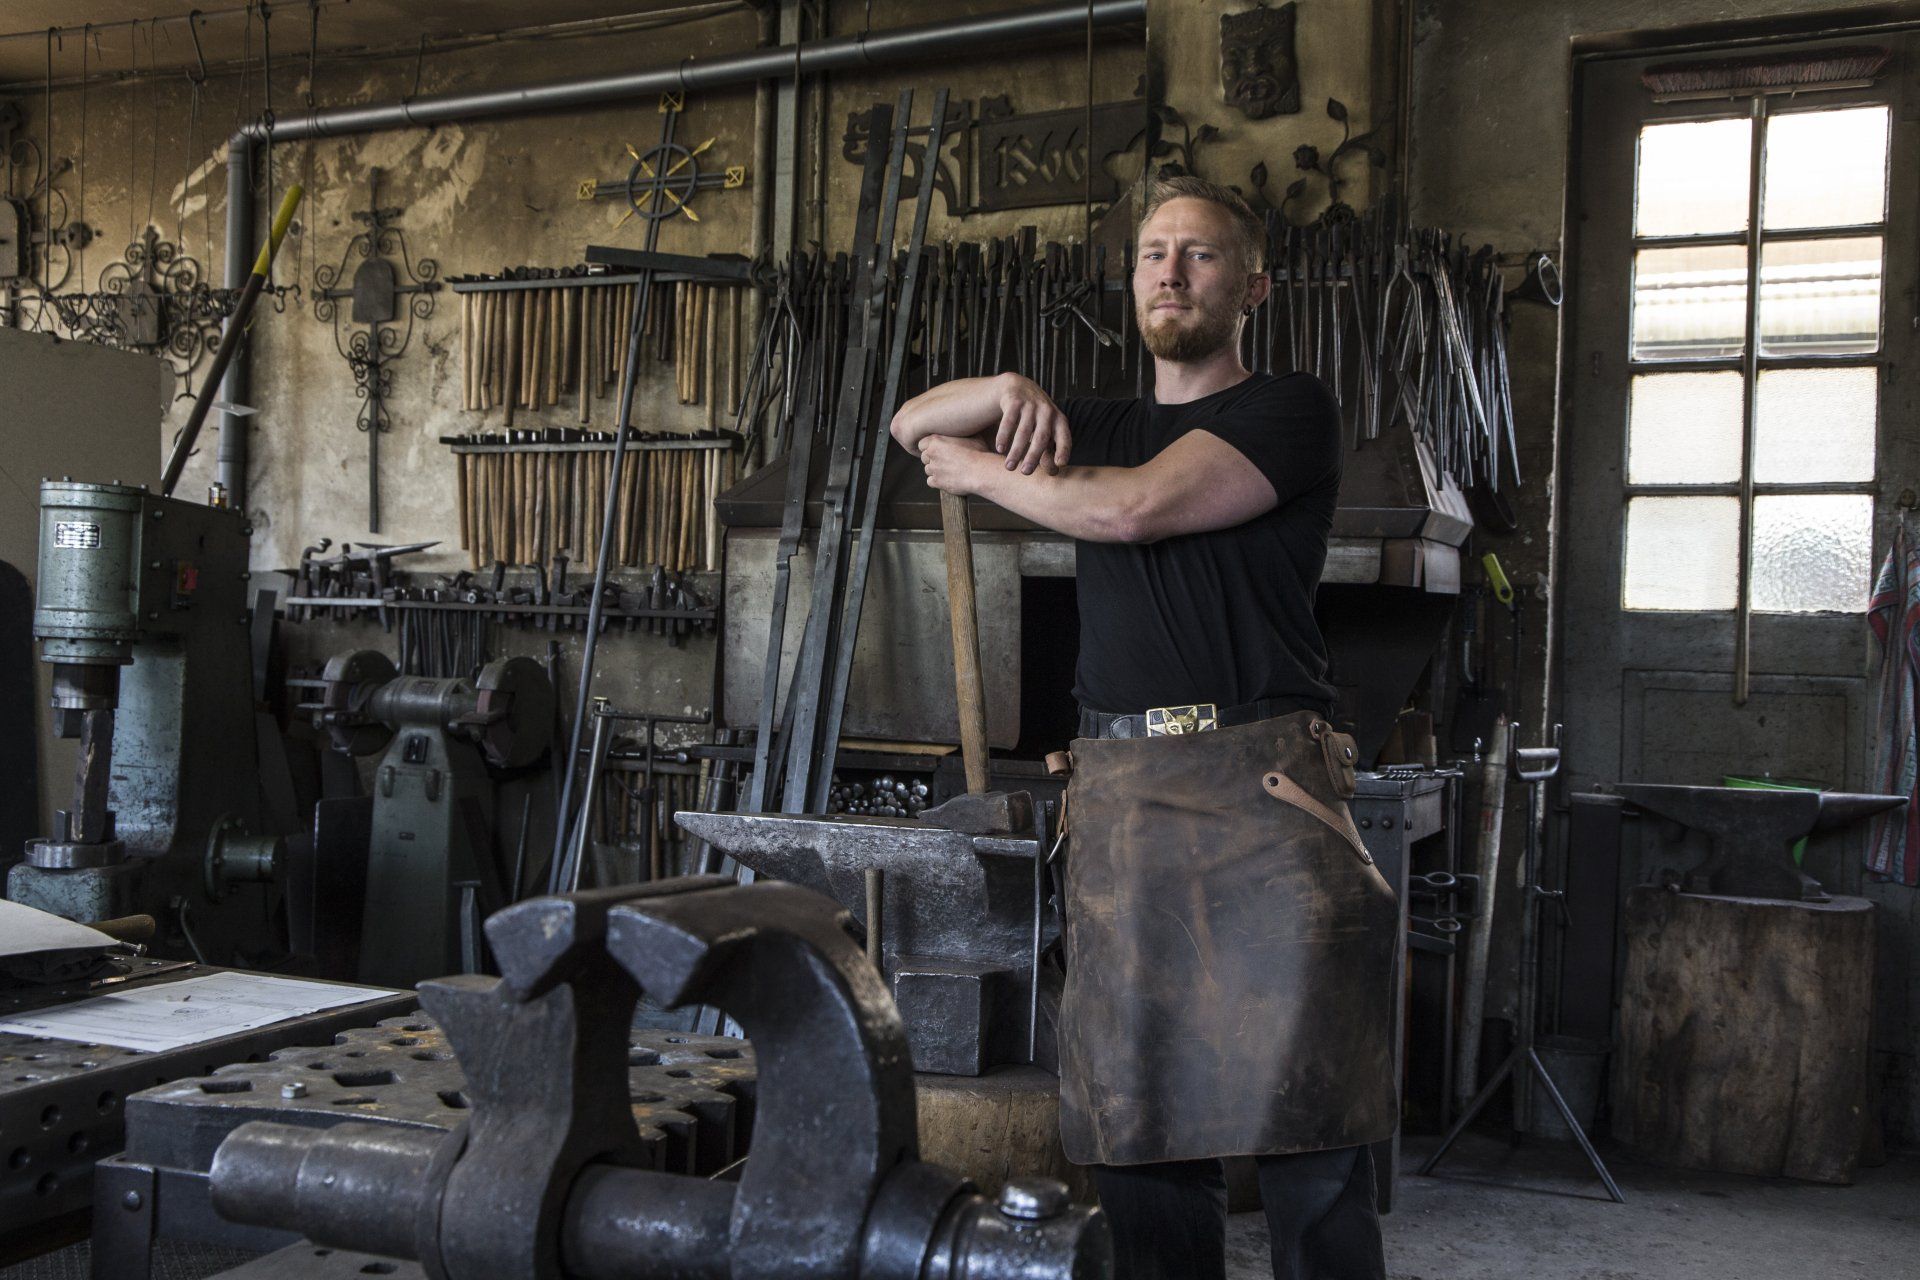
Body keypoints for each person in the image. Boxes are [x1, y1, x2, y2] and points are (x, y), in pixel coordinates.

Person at [889, 174, 1398, 1280]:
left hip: (1267, 784)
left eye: (1201, 254)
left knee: (1311, 1118)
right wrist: (1004, 387)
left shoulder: (1290, 410)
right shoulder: (1099, 424)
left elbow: (1134, 508)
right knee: (1139, 1124)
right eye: (1153, 253)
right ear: (1131, 281)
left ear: (1252, 286)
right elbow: (910, 423)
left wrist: (980, 471)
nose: (1171, 272)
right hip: (1121, 791)